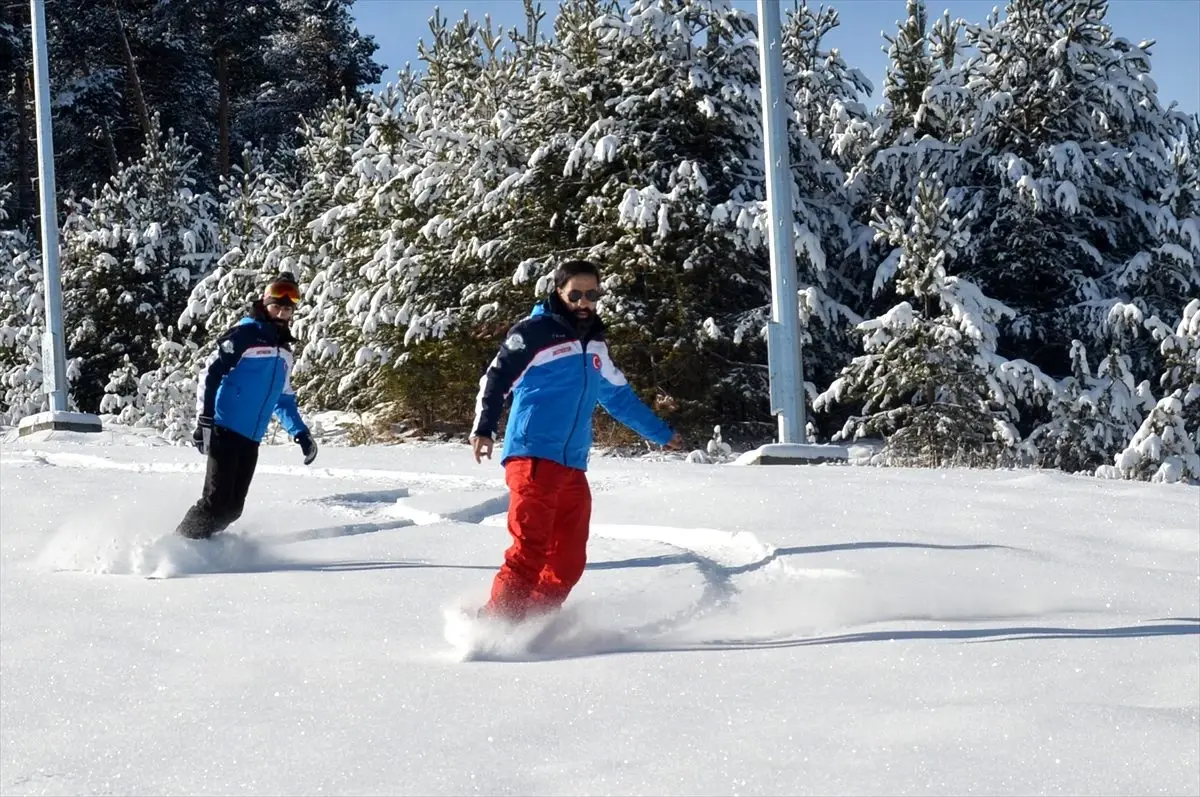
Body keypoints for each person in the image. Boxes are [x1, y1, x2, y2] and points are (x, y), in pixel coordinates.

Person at [470, 259, 683, 621]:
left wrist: (661, 434)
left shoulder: (595, 345)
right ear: (559, 292)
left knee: (568, 560)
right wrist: (484, 427)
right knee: (530, 549)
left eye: (592, 294)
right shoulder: (534, 332)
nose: (584, 302)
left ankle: (533, 623)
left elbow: (619, 398)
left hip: (571, 465)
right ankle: (494, 625)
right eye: (576, 294)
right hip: (532, 456)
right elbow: (497, 378)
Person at [176, 272, 318, 540]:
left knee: (232, 509)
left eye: (287, 308)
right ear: (264, 304)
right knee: (215, 503)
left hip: (250, 438)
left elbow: (283, 398)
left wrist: (301, 433)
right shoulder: (245, 335)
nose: (282, 312)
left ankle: (203, 546)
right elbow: (211, 374)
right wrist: (204, 420)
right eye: (276, 305)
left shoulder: (284, 352)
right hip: (224, 429)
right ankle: (177, 545)